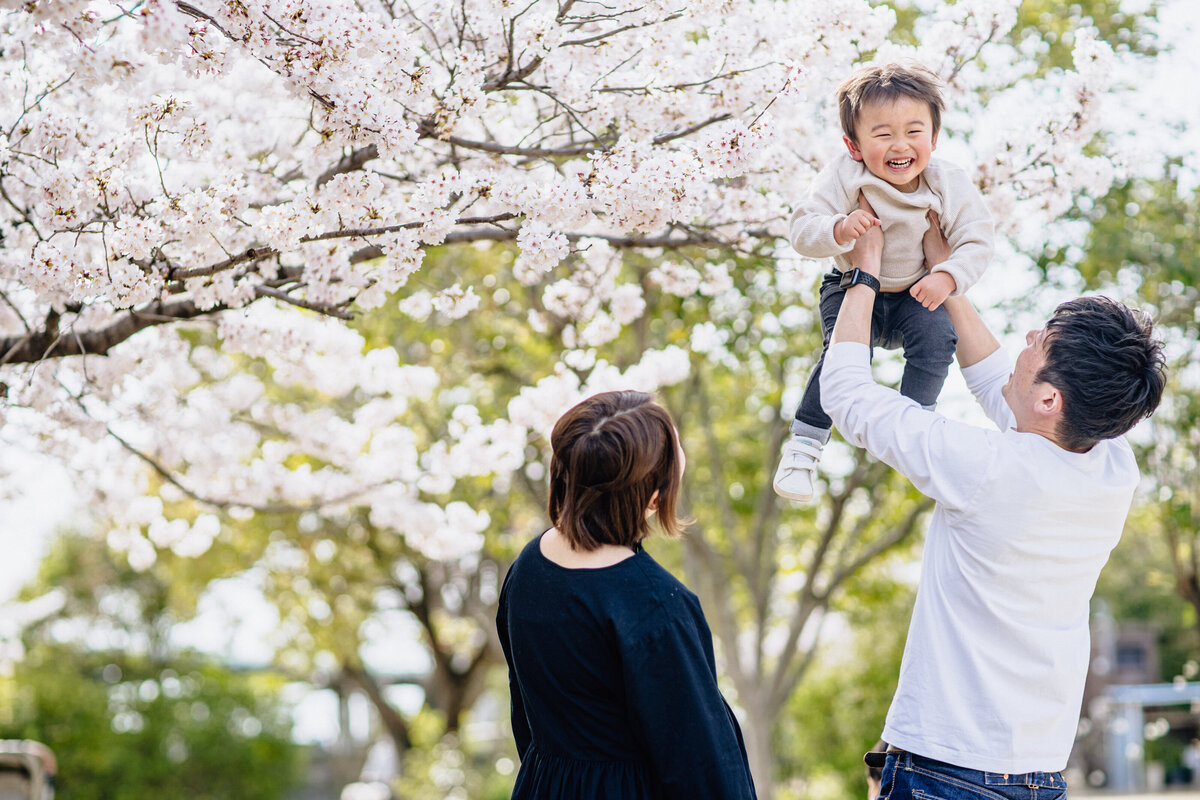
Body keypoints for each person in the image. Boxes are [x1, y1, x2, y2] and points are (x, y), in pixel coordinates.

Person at [823, 203, 1166, 799]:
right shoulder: (1113, 467)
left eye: (1041, 340)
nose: (1027, 339)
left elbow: (847, 394)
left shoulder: (989, 470)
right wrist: (946, 277)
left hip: (945, 772)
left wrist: (865, 275)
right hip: (1037, 772)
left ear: (1053, 400)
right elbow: (1002, 384)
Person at [496, 390, 757, 800]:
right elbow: (703, 769)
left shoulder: (529, 567)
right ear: (655, 497)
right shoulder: (656, 606)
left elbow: (526, 717)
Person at [774, 62, 994, 502]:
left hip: (919, 291)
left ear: (933, 138)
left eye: (914, 132)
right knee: (842, 355)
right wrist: (838, 228)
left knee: (937, 343)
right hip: (852, 286)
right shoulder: (843, 175)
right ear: (853, 145)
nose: (900, 145)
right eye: (882, 134)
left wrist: (948, 277)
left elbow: (978, 239)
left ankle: (915, 426)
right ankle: (804, 444)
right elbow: (801, 228)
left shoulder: (946, 181)